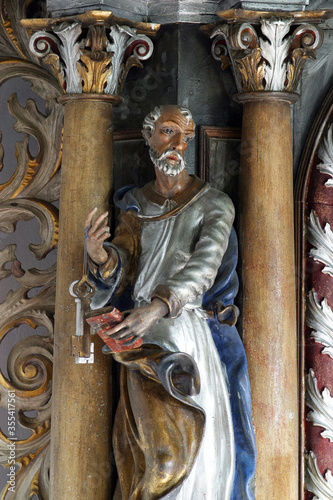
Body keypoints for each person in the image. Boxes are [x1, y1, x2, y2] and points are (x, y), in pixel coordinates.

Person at [86, 105, 256, 500]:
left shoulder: (214, 203)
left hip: (182, 333)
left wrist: (158, 308)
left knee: (180, 458)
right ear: (149, 138)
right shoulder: (134, 204)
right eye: (167, 132)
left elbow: (204, 268)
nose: (178, 144)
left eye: (184, 136)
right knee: (147, 455)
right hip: (137, 335)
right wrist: (100, 257)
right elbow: (125, 263)